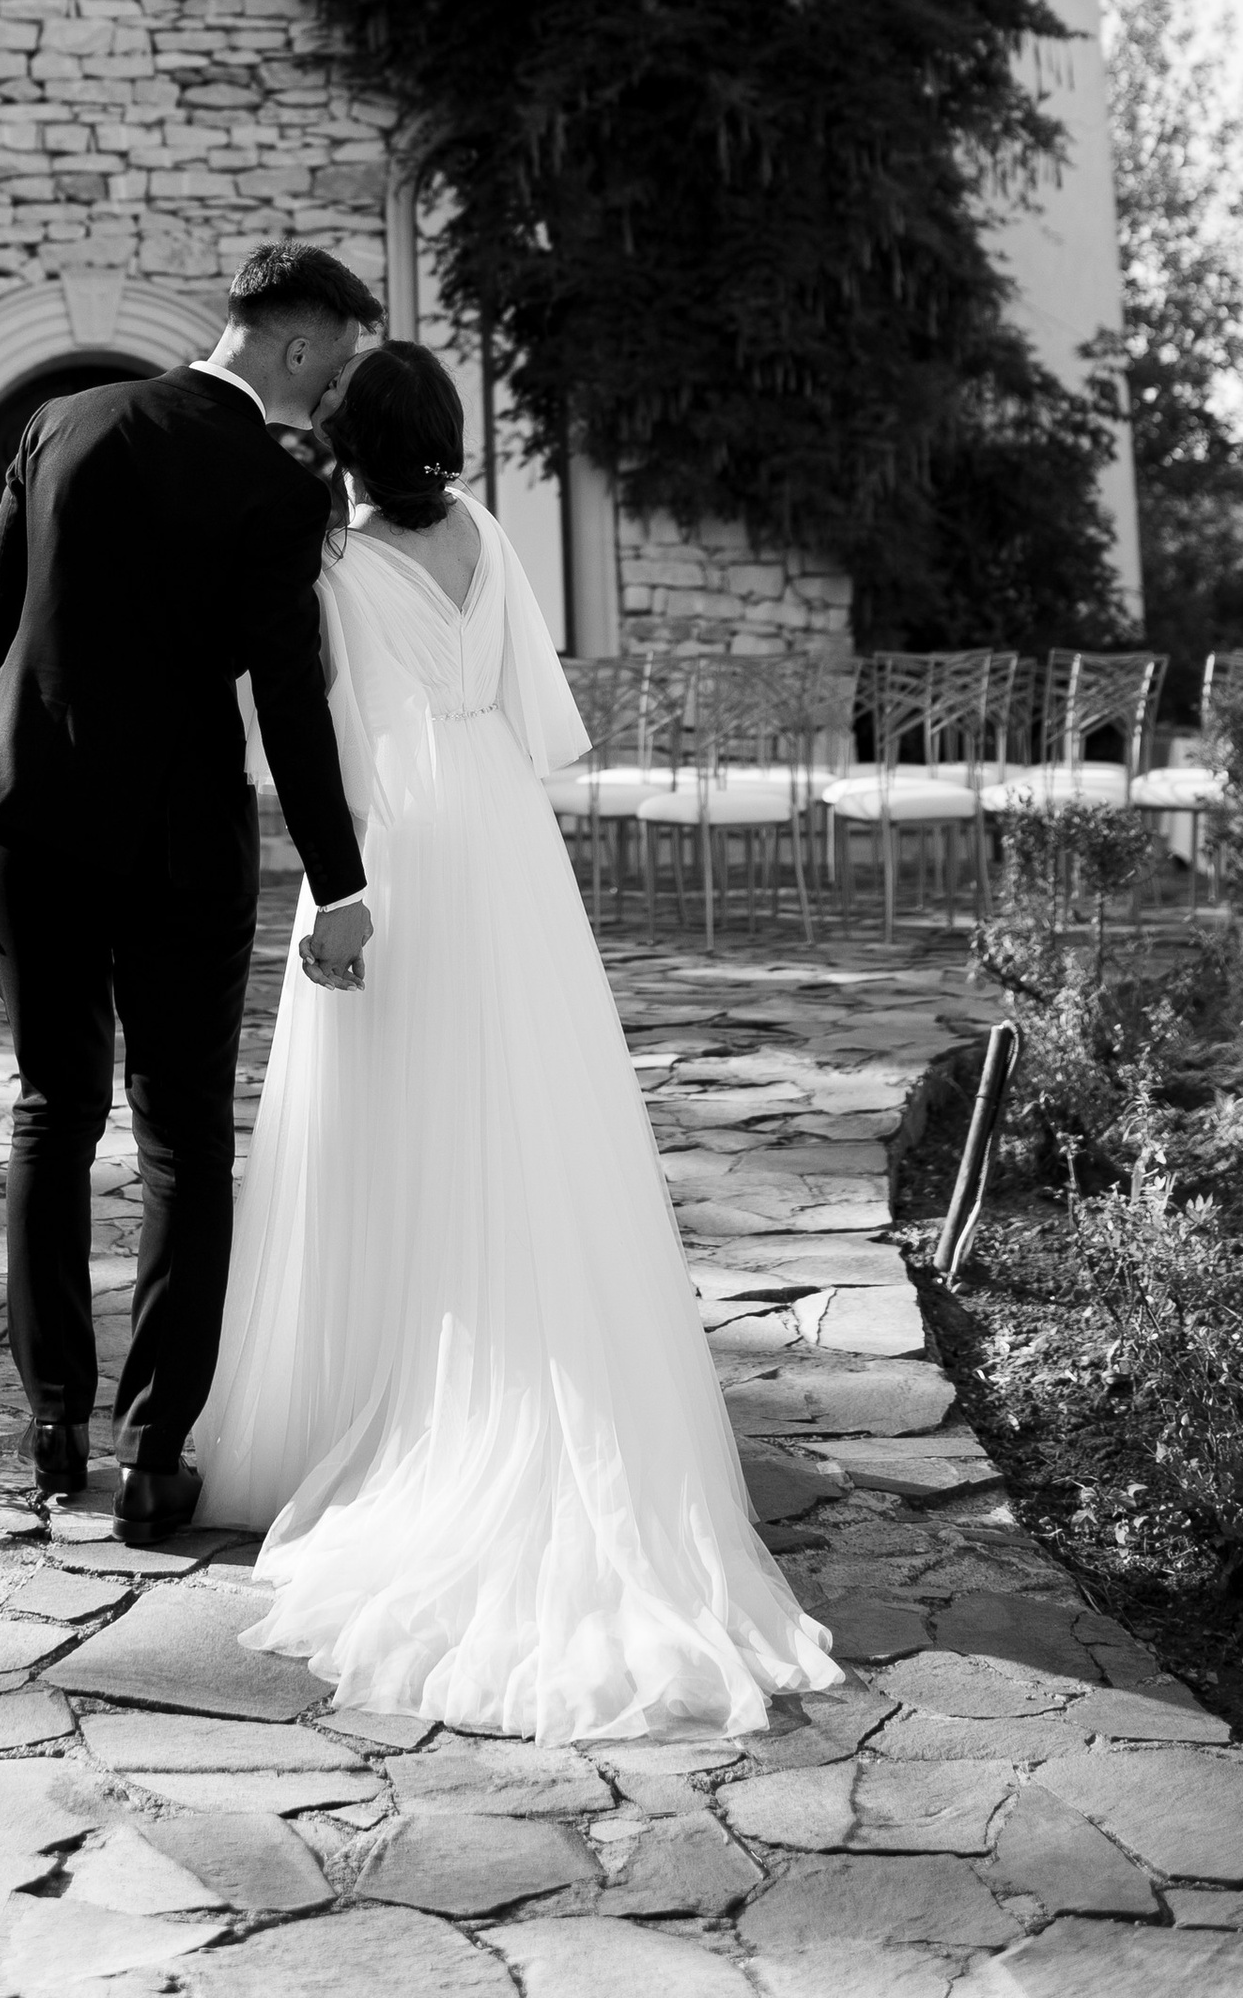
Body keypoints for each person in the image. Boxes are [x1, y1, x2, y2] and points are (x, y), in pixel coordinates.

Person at [193, 338, 837, 1740]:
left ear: (345, 442)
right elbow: (537, 714)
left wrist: (339, 891)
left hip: (402, 845)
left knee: (385, 1115)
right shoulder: (485, 536)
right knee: (533, 1107)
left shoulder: (331, 565)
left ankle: (387, 1408)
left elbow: (324, 734)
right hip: (506, 835)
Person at [0, 243, 382, 1548]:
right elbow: (286, 698)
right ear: (296, 343)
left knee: (52, 1111)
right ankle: (155, 1452)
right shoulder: (275, 482)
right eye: (336, 362)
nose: (335, 387)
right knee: (180, 1146)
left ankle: (52, 1430)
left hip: (24, 819)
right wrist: (340, 883)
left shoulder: (62, 420)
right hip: (177, 844)